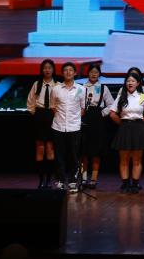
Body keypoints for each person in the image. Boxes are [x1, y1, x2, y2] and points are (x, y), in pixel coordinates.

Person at [109, 70, 144, 193]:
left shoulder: (142, 96)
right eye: (128, 81)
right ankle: (125, 184)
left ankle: (135, 184)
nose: (130, 83)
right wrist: (123, 124)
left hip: (138, 128)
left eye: (133, 81)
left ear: (138, 83)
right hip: (124, 128)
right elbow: (112, 114)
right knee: (124, 159)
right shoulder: (121, 96)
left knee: (137, 159)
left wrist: (139, 123)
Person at [51, 62, 85, 193]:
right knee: (59, 155)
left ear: (75, 73)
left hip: (74, 127)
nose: (68, 72)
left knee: (74, 155)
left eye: (71, 70)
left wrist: (74, 119)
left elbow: (83, 108)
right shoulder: (56, 89)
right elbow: (53, 107)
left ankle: (72, 181)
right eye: (65, 70)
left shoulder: (81, 89)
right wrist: (61, 118)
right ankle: (60, 180)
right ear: (62, 73)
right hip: (58, 126)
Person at [26, 59, 58, 189]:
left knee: (50, 148)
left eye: (49, 67)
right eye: (45, 68)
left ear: (53, 70)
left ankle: (49, 181)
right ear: (42, 70)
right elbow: (30, 102)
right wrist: (36, 114)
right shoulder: (37, 84)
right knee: (40, 148)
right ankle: (41, 180)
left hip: (52, 116)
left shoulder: (57, 85)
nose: (47, 70)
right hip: (39, 116)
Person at [79, 64, 112, 190]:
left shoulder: (104, 88)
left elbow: (111, 105)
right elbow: (75, 102)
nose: (93, 74)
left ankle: (93, 179)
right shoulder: (81, 87)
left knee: (96, 151)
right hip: (84, 118)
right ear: (88, 73)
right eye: (91, 72)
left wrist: (102, 113)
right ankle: (83, 178)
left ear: (99, 74)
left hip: (98, 120)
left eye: (96, 72)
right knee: (83, 151)